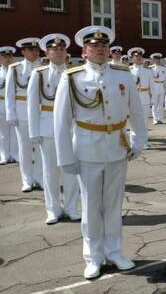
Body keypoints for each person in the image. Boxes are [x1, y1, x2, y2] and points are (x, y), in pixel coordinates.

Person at [54, 25, 147, 280]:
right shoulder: (72, 78)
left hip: (117, 146)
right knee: (92, 206)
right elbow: (61, 122)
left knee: (114, 205)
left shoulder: (123, 74)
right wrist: (66, 158)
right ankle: (93, 256)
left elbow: (136, 110)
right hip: (87, 148)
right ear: (84, 51)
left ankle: (115, 251)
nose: (100, 50)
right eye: (94, 46)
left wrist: (139, 140)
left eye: (104, 46)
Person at [28, 33, 81, 224]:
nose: (58, 52)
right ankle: (53, 210)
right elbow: (32, 105)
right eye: (54, 49)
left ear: (66, 52)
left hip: (71, 128)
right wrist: (34, 132)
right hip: (48, 127)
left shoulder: (75, 72)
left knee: (71, 170)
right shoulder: (39, 74)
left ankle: (72, 208)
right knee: (50, 171)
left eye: (61, 49)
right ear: (47, 53)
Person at [6, 37, 43, 191]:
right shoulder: (15, 68)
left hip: (41, 113)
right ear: (23, 52)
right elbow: (9, 94)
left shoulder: (43, 67)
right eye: (30, 50)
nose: (34, 53)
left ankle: (40, 177)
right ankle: (27, 179)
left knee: (40, 149)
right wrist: (11, 114)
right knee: (25, 147)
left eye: (36, 50)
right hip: (22, 112)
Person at [0, 46, 19, 165]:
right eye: (4, 56)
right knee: (3, 133)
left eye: (9, 56)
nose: (7, 59)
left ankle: (15, 155)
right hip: (1, 105)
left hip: (15, 105)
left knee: (15, 132)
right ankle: (4, 155)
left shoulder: (17, 72)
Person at [127, 47, 152, 129]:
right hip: (133, 99)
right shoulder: (128, 70)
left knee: (144, 121)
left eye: (140, 56)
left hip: (145, 98)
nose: (138, 58)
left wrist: (153, 100)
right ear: (132, 58)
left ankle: (144, 139)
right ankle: (133, 140)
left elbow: (152, 87)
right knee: (133, 121)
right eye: (136, 56)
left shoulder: (148, 71)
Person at [149, 53, 166, 124]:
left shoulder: (164, 68)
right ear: (153, 60)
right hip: (154, 86)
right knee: (154, 104)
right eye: (155, 59)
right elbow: (149, 80)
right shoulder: (150, 68)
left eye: (158, 59)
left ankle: (161, 118)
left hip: (161, 86)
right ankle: (155, 119)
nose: (157, 60)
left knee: (161, 104)